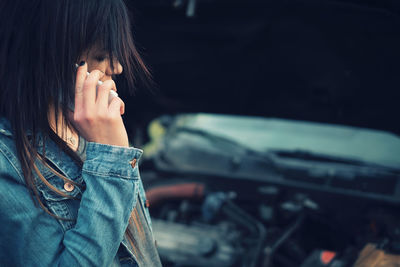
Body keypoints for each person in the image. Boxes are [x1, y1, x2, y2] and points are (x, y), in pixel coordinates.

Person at [0, 0, 162, 266]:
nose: (117, 67)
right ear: (48, 51)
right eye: (102, 55)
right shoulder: (6, 164)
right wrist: (113, 158)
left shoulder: (90, 124)